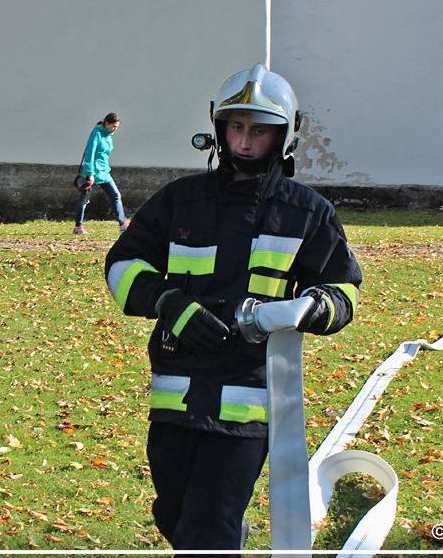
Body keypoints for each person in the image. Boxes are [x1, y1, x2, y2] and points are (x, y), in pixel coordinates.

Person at [104, 65, 361, 554]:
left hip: (252, 399)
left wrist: (308, 308)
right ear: (219, 128)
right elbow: (122, 264)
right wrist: (169, 303)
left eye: (259, 131)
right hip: (176, 394)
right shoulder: (179, 200)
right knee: (175, 513)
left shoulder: (307, 212)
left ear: (283, 135)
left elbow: (343, 293)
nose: (245, 142)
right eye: (236, 128)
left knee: (207, 527)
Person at [73, 113, 129, 235]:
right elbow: (90, 154)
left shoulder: (108, 135)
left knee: (116, 195)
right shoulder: (97, 134)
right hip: (93, 171)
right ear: (106, 123)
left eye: (117, 127)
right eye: (114, 126)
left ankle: (123, 224)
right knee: (84, 200)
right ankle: (78, 227)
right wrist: (90, 174)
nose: (115, 129)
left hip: (104, 172)